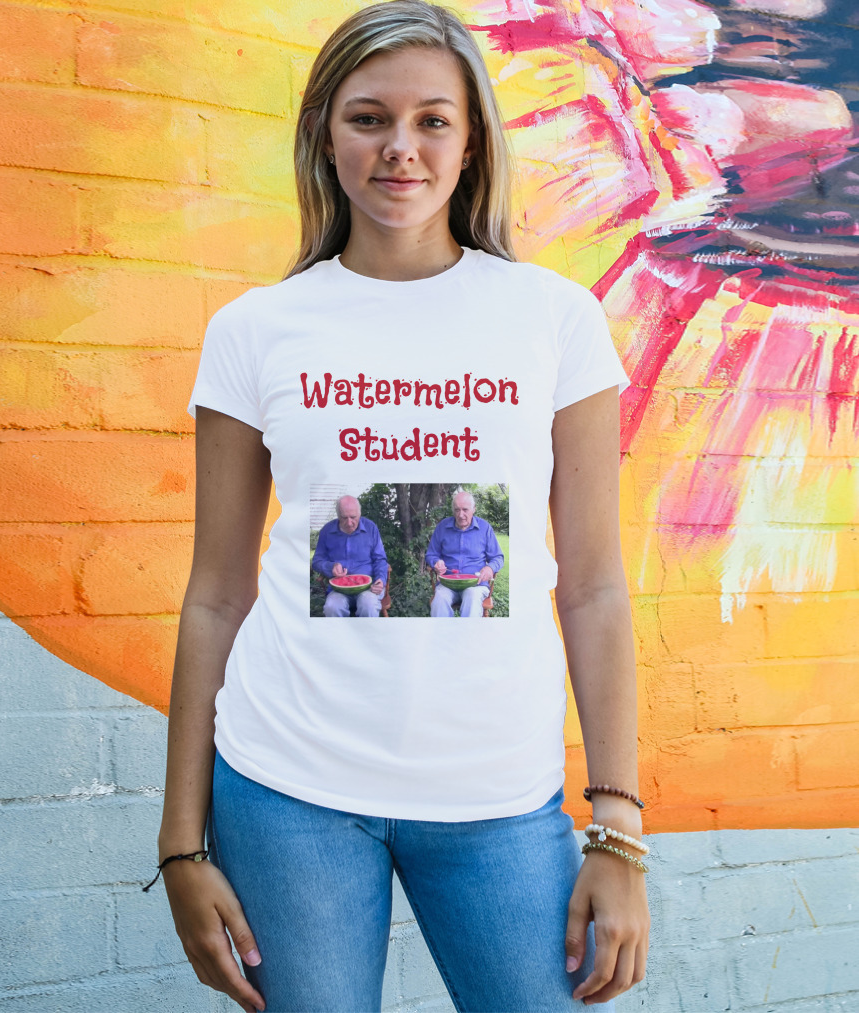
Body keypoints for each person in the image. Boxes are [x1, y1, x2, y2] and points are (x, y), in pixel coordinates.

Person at [156, 3, 650, 1011]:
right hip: (285, 788)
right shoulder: (256, 330)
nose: (400, 149)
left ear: (471, 145)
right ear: (324, 135)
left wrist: (617, 824)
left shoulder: (554, 319)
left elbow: (594, 585)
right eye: (368, 118)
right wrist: (179, 845)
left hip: (502, 800)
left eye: (433, 120)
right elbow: (215, 593)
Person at [426, 489, 503, 617]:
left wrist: (490, 568)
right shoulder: (442, 527)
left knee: (472, 598)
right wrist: (436, 562)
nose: (461, 515)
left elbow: (498, 557)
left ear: (474, 509)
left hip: (476, 585)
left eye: (465, 510)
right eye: (457, 510)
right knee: (439, 601)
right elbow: (431, 554)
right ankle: (443, 635)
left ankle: (468, 636)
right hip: (448, 584)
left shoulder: (485, 528)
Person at [312, 494, 388, 616]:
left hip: (368, 587)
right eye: (344, 518)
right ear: (338, 516)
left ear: (360, 514)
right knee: (332, 607)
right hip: (339, 590)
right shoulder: (327, 531)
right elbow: (316, 561)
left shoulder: (371, 528)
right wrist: (330, 566)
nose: (349, 523)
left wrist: (381, 579)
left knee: (368, 606)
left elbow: (380, 559)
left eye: (353, 517)